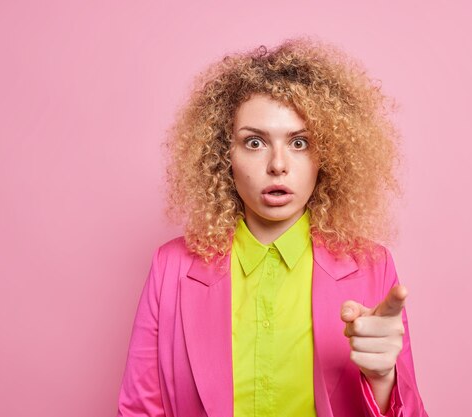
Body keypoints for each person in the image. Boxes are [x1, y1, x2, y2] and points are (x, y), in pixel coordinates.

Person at [117, 37, 428, 417]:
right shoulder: (171, 267)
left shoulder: (372, 265)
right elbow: (139, 410)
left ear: (326, 155)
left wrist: (382, 380)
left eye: (299, 142)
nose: (278, 164)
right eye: (254, 142)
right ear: (222, 154)